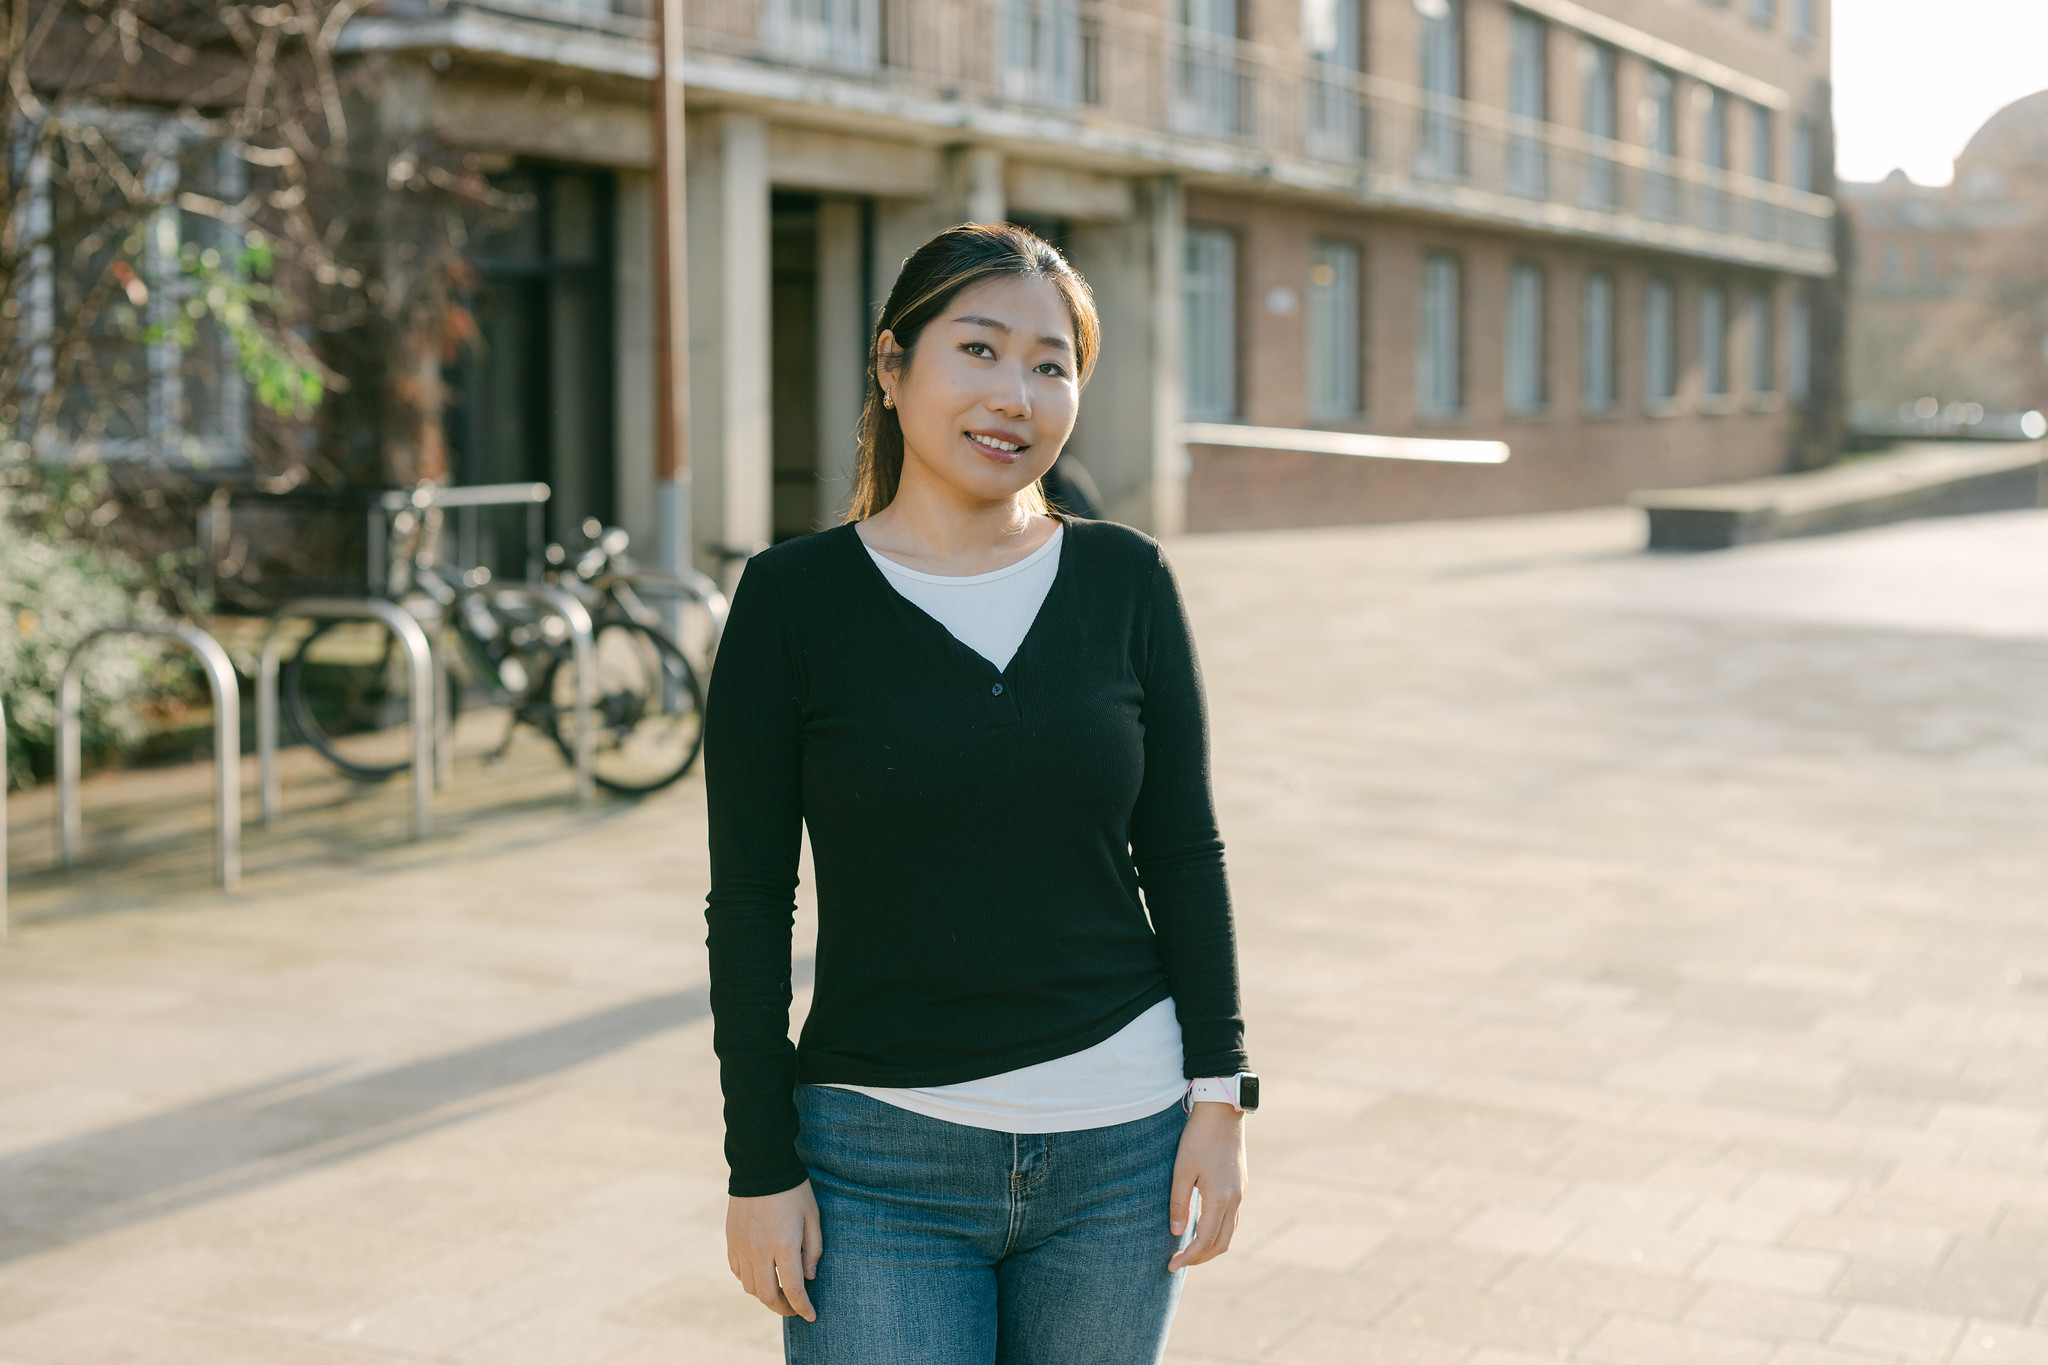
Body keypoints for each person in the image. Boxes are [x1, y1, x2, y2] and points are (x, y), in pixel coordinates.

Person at [705, 222, 1257, 1365]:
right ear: (890, 365)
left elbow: (1184, 852)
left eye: (1050, 364)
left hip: (1122, 1149)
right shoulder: (791, 600)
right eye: (979, 349)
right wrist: (759, 1166)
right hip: (876, 1162)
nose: (1015, 393)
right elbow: (751, 901)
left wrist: (1220, 1100)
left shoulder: (1126, 579)